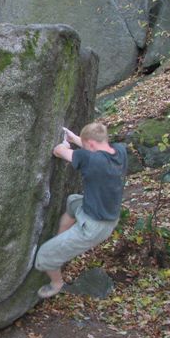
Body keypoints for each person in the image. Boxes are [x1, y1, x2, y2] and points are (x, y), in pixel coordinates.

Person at [35, 122, 127, 298]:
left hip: (93, 227)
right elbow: (94, 148)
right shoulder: (120, 151)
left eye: (85, 144)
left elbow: (58, 151)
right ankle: (62, 238)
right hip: (104, 213)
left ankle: (57, 283)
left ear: (90, 144)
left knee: (45, 255)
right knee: (73, 201)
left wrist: (65, 144)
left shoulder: (90, 160)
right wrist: (75, 138)